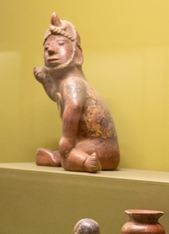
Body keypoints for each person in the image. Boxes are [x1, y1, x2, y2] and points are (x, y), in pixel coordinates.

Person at [33, 13, 120, 173]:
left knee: (66, 155)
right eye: (46, 48)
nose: (50, 51)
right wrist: (46, 81)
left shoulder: (73, 82)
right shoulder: (71, 83)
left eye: (60, 44)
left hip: (97, 150)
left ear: (77, 54)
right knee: (64, 151)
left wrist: (67, 140)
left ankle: (85, 161)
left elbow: (73, 108)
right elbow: (57, 98)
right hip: (105, 150)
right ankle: (58, 156)